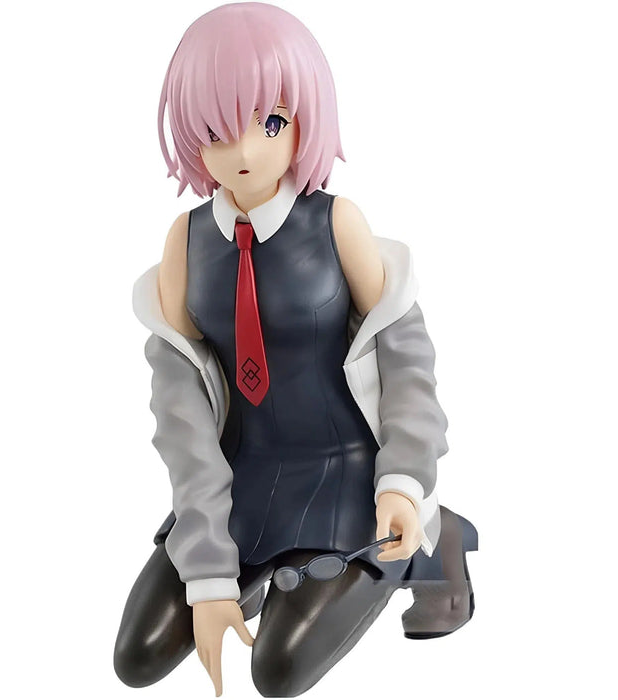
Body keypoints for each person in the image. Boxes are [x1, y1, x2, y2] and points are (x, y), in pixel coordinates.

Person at [114, 3, 477, 697]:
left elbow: (404, 356)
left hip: (344, 475)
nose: (245, 153)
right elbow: (180, 410)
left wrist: (403, 481)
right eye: (217, 131)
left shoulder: (337, 223)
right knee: (136, 657)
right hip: (241, 478)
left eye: (271, 123)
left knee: (277, 673)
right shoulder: (186, 242)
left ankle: (440, 537)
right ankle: (254, 567)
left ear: (307, 119)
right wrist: (208, 568)